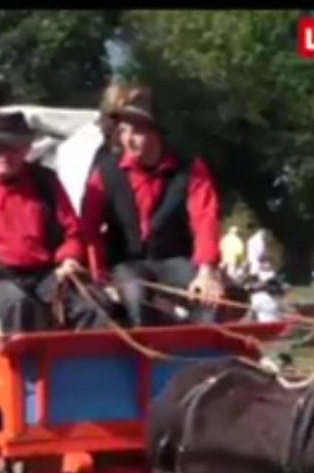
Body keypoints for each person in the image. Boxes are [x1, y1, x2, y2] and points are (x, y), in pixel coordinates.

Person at [0, 111, 103, 334]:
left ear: (26, 149)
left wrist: (68, 259)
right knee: (19, 305)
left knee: (94, 306)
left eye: (12, 148)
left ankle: (89, 357)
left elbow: (73, 232)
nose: (3, 155)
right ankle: (27, 358)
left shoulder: (46, 180)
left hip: (47, 273)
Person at [80, 91, 223, 327]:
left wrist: (206, 271)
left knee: (209, 300)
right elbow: (89, 227)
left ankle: (202, 347)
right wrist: (99, 276)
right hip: (127, 263)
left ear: (155, 131)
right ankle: (144, 349)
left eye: (136, 131)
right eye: (123, 131)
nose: (128, 139)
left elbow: (205, 217)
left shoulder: (190, 168)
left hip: (174, 258)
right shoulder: (105, 171)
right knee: (135, 296)